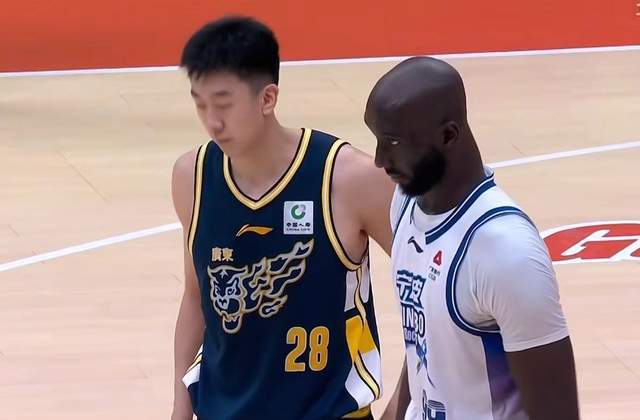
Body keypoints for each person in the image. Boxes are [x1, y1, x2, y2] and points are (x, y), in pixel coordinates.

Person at [170, 16, 394, 420]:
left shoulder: (349, 178)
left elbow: (426, 293)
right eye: (200, 104)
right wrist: (179, 410)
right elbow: (195, 298)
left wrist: (403, 405)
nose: (212, 121)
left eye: (224, 104)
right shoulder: (192, 177)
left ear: (267, 98)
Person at [364, 56, 579, 420]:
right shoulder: (405, 204)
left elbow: (557, 411)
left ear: (448, 135)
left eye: (393, 142)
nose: (379, 159)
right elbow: (428, 347)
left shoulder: (505, 252)